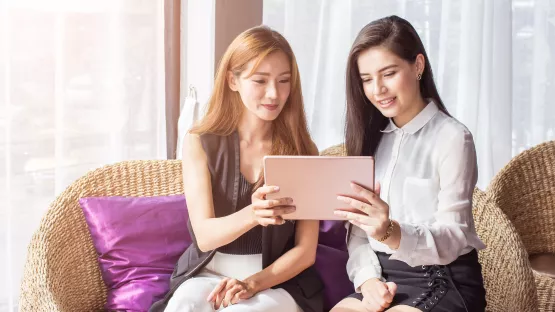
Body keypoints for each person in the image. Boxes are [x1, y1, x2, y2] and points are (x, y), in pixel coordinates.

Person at [149, 26, 323, 312]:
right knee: (183, 305)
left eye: (283, 81)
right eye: (260, 80)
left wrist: (253, 283)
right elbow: (205, 236)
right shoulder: (199, 142)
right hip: (207, 272)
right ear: (232, 80)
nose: (274, 93)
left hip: (276, 280)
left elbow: (305, 252)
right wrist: (254, 214)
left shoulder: (303, 151)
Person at [331, 15, 487, 312]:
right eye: (366, 79)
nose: (377, 90)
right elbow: (358, 233)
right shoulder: (370, 138)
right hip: (383, 277)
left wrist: (390, 231)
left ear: (417, 65)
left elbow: (454, 236)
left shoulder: (453, 138)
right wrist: (368, 282)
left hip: (442, 277)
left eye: (388, 73)